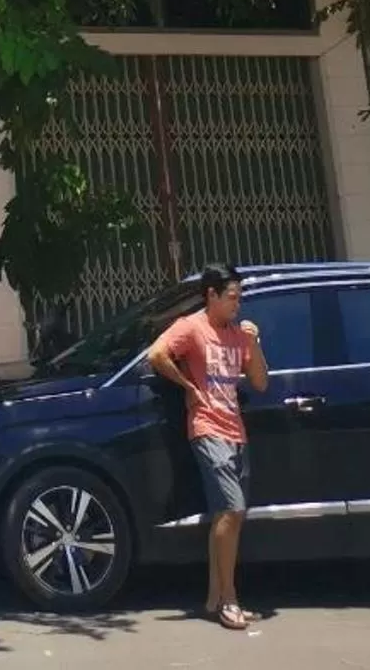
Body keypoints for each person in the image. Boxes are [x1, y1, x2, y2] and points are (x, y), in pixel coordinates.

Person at [147, 264, 268, 631]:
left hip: (236, 430)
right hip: (207, 427)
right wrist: (188, 387)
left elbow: (260, 382)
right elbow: (156, 355)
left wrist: (254, 343)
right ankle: (229, 599)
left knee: (228, 516)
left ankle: (215, 597)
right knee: (232, 509)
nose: (237, 304)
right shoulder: (192, 327)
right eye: (231, 297)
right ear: (211, 295)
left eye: (239, 298)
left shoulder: (237, 335)